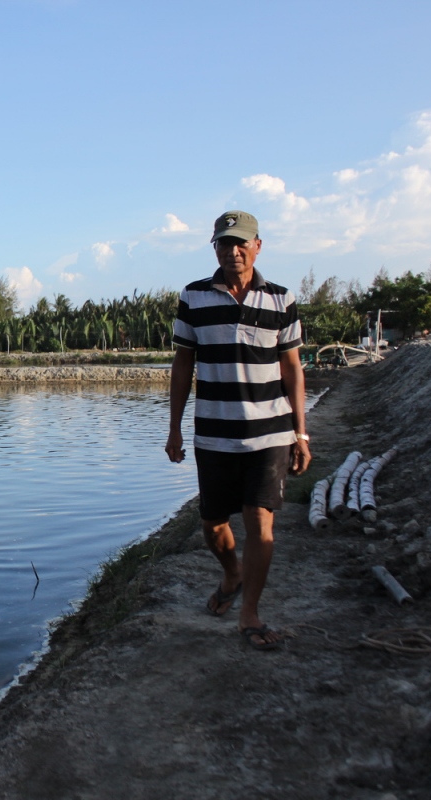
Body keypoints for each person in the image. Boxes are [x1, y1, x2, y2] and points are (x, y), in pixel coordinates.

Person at [165, 210, 311, 650]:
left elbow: (292, 369)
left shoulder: (281, 300)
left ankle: (250, 613)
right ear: (215, 248)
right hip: (214, 432)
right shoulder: (194, 297)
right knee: (213, 525)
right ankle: (232, 573)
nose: (233, 251)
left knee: (260, 523)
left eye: (241, 242)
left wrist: (301, 434)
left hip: (270, 433)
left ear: (257, 246)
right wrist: (174, 429)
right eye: (224, 243)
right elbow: (183, 365)